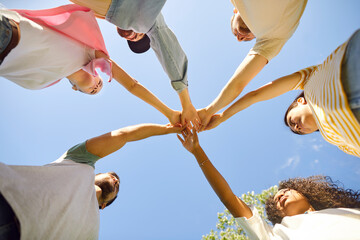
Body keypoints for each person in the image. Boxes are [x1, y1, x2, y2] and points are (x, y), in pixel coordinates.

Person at [0, 5, 181, 125]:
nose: (96, 84)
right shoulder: (89, 54)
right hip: (9, 31)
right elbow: (132, 85)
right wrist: (169, 113)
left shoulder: (41, 83)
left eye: (93, 90)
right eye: (100, 82)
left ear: (75, 89)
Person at [0, 122, 182, 239]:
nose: (116, 181)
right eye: (111, 175)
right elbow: (124, 135)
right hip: (6, 194)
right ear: (95, 175)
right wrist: (169, 129)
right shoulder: (79, 162)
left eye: (117, 186)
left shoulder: (91, 234)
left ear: (104, 206)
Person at [178, 128, 360, 240]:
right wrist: (197, 151)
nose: (279, 195)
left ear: (307, 194)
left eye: (287, 190)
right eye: (275, 201)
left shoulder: (344, 211)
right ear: (277, 216)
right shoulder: (272, 235)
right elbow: (229, 199)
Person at [203, 29, 360, 157]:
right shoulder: (335, 140)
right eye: (299, 131)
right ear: (313, 131)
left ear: (300, 102)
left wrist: (222, 116)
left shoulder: (308, 80)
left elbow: (254, 96)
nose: (296, 128)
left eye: (292, 121)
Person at [69, 0, 201, 129]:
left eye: (132, 39)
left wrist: (170, 114)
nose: (133, 38)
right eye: (141, 35)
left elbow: (131, 85)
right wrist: (186, 103)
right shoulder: (144, 17)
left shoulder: (97, 14)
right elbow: (168, 48)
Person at [197, 0, 307, 130]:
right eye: (250, 39)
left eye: (235, 32)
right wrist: (210, 111)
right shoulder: (273, 38)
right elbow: (239, 82)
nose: (239, 38)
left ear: (235, 11)